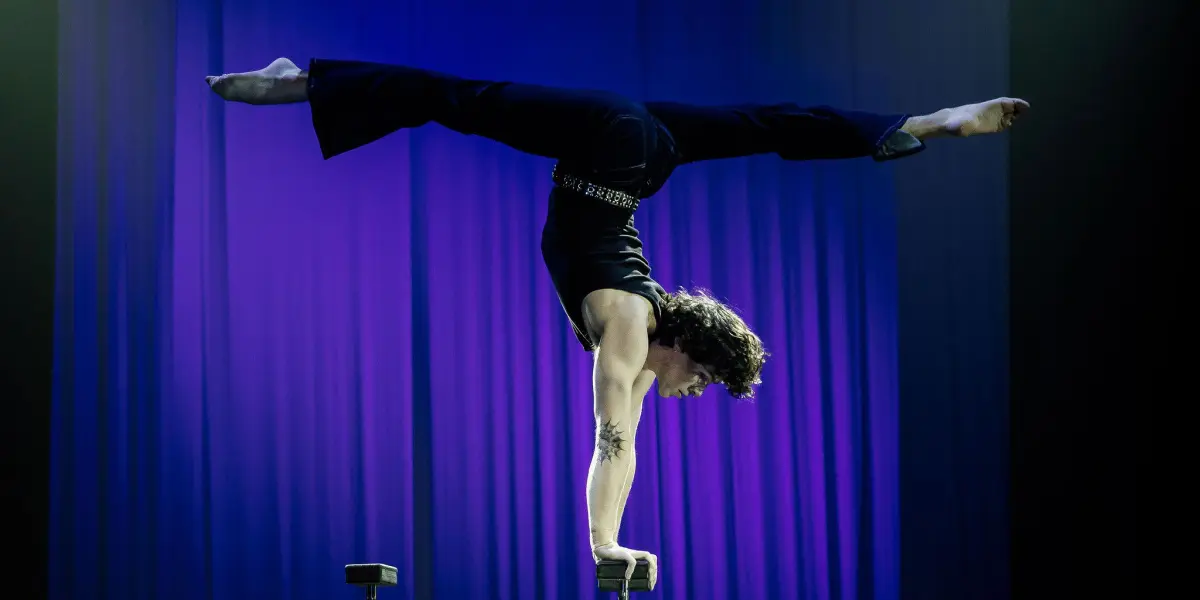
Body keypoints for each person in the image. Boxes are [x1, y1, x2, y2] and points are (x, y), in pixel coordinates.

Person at [206, 57, 1028, 590]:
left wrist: (613, 536)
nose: (692, 393)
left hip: (641, 149)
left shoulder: (638, 346)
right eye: (700, 378)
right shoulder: (632, 329)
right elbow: (614, 442)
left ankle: (927, 123)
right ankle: (305, 80)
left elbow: (624, 436)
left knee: (765, 124)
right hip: (611, 140)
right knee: (464, 99)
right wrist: (602, 543)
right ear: (682, 347)